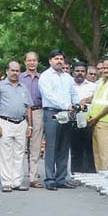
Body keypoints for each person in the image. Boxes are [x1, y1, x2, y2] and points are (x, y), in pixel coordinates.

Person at [39, 49, 79, 190]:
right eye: (56, 58)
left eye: (61, 59)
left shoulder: (68, 77)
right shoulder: (45, 76)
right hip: (52, 113)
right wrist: (65, 105)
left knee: (63, 146)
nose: (59, 61)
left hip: (67, 113)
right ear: (50, 61)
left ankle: (61, 178)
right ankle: (50, 179)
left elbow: (73, 94)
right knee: (51, 147)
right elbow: (48, 95)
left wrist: (76, 105)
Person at [0, 60, 33, 191]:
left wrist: (29, 126)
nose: (15, 73)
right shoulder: (0, 86)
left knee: (19, 153)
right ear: (7, 71)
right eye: (12, 70)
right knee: (6, 154)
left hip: (21, 123)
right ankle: (7, 183)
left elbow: (28, 108)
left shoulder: (23, 87)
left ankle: (17, 182)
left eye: (17, 70)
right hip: (5, 122)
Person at [20, 51, 43, 187]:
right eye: (29, 60)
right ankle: (16, 177)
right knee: (20, 146)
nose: (32, 63)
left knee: (35, 146)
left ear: (37, 62)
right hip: (21, 114)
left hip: (38, 112)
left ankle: (33, 177)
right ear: (25, 62)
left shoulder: (43, 78)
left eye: (34, 60)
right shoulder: (20, 77)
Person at [70, 63, 96, 173]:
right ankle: (76, 173)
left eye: (82, 71)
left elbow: (97, 99)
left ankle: (90, 173)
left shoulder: (93, 86)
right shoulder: (69, 85)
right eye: (77, 71)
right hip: (73, 120)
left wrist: (88, 99)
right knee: (75, 149)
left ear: (85, 73)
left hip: (88, 120)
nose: (80, 73)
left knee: (89, 148)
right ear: (73, 72)